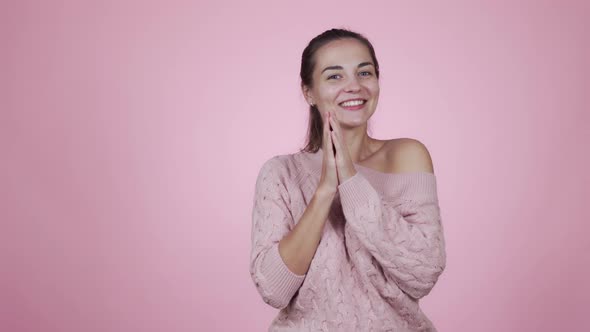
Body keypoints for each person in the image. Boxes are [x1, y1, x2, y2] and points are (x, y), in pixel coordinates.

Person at [249, 28, 447, 331]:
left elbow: (423, 274)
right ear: (308, 92)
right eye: (334, 76)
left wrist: (351, 180)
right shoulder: (280, 174)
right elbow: (274, 290)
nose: (354, 86)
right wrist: (325, 190)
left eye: (364, 72)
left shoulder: (407, 155)